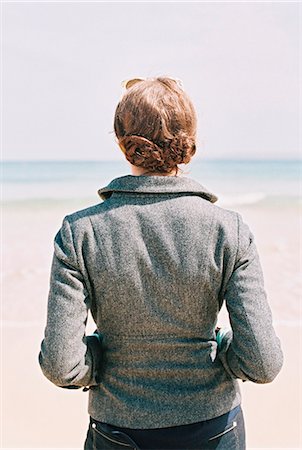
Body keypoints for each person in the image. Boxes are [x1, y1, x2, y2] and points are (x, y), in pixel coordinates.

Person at [39, 77, 283, 450]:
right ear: (190, 144)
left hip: (117, 430)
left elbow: (61, 365)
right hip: (213, 428)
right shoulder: (228, 230)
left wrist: (103, 357)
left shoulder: (80, 231)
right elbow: (262, 363)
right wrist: (219, 345)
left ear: (123, 144)